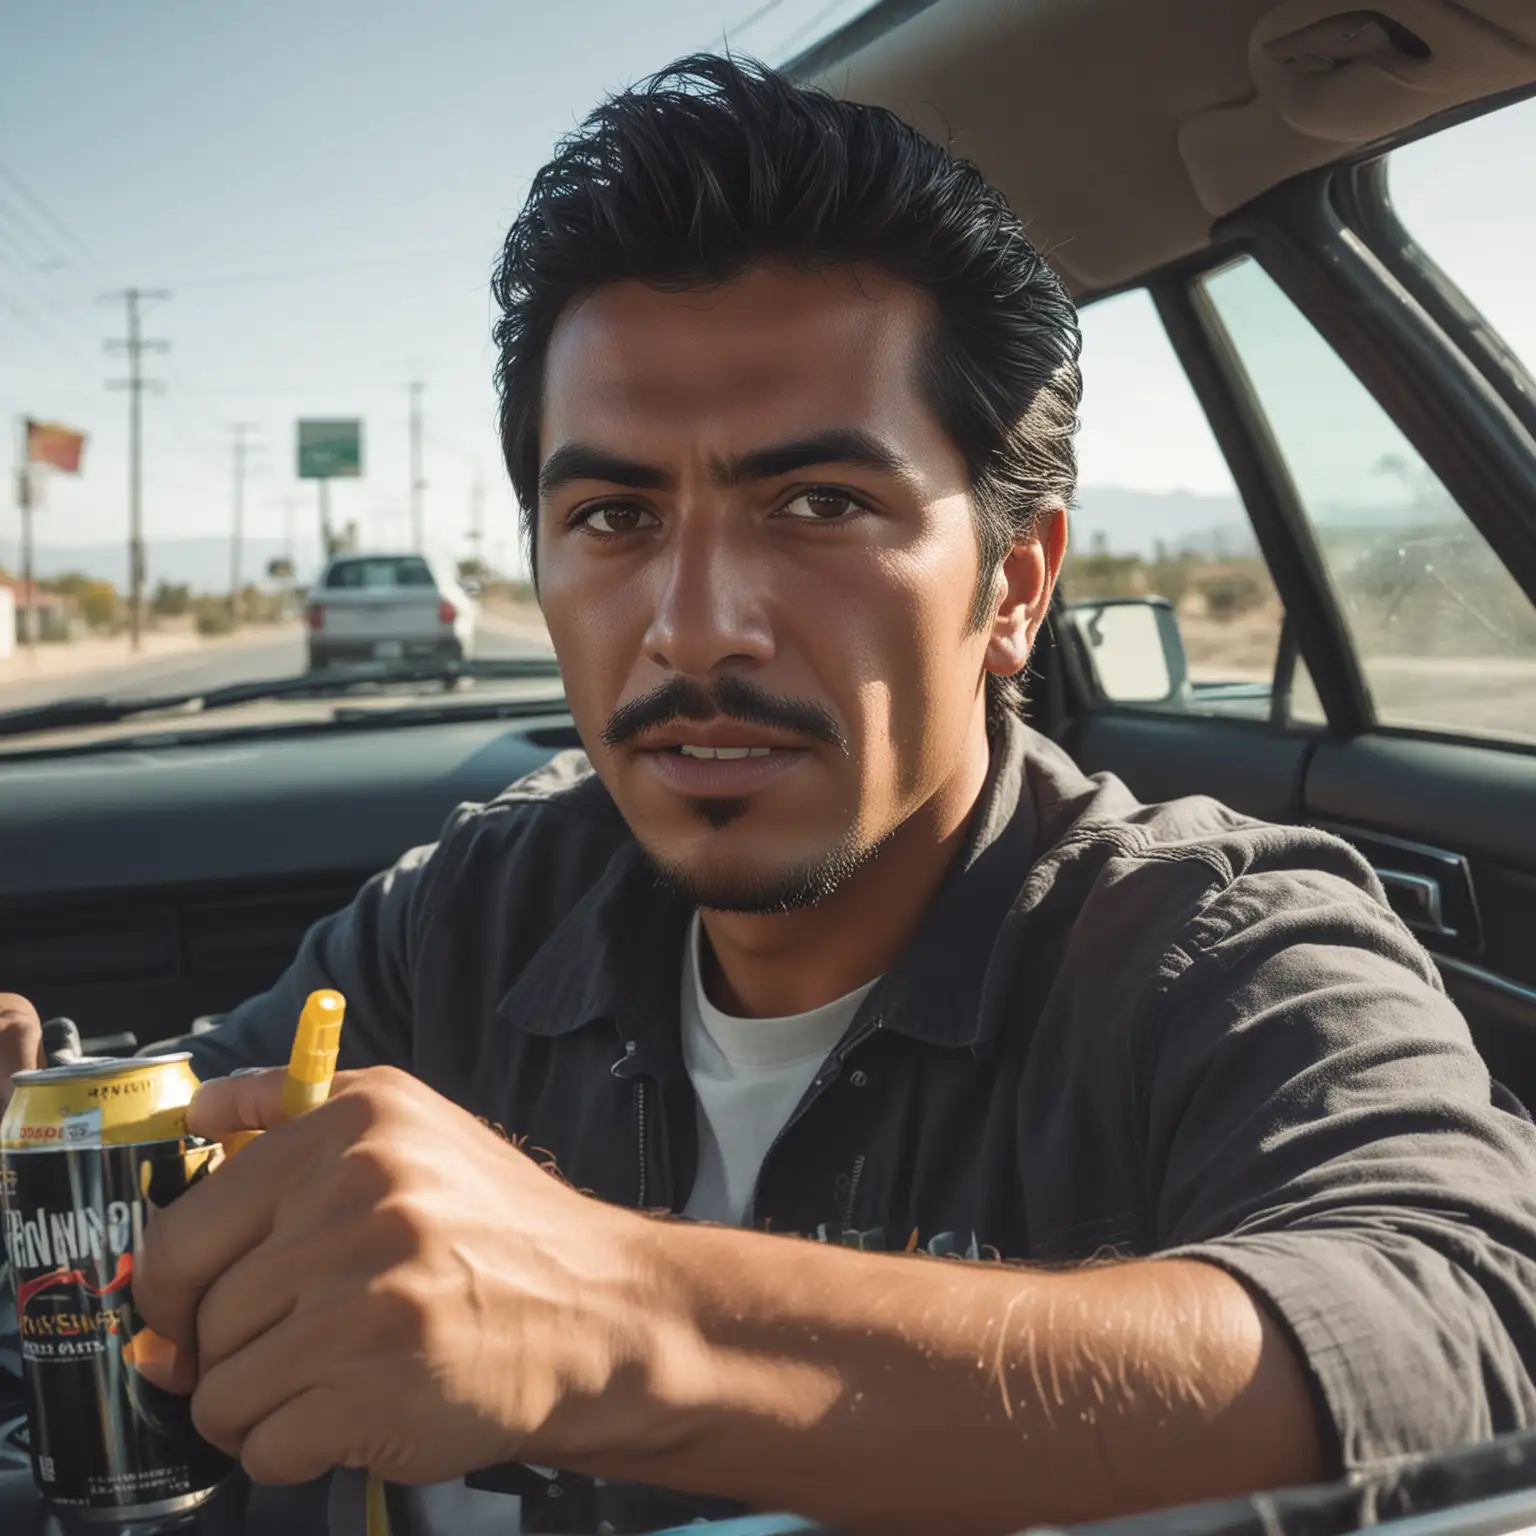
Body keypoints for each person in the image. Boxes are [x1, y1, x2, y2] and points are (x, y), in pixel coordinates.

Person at [5, 54, 1536, 1536]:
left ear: (1014, 587)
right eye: (611, 513)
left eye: (819, 505)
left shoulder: (1204, 949)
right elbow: (152, 1175)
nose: (694, 625)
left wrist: (622, 1319)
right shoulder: (476, 921)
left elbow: (1464, 1336)